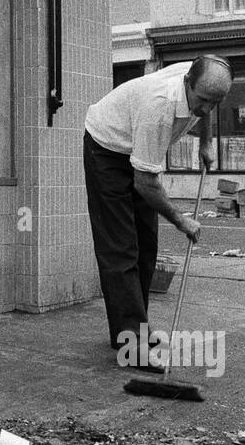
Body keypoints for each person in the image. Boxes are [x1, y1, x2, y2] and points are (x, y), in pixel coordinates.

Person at [83, 55, 232, 365]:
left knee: (146, 244)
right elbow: (146, 183)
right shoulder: (160, 107)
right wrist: (181, 221)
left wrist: (206, 143)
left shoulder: (202, 79)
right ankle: (133, 347)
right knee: (120, 248)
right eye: (202, 100)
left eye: (214, 102)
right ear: (188, 83)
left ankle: (131, 328)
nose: (206, 109)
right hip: (107, 148)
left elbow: (208, 106)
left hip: (137, 148)